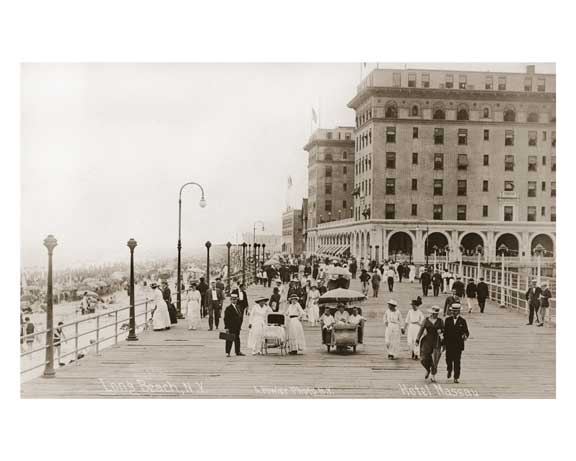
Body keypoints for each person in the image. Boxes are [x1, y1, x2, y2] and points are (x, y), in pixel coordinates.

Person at [416, 306, 444, 382]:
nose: (436, 315)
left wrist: (441, 331)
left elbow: (444, 331)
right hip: (427, 340)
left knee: (436, 359)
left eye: (437, 313)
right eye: (434, 313)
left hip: (437, 341)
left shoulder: (440, 321)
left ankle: (433, 375)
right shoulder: (426, 320)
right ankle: (428, 369)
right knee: (423, 359)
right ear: (431, 313)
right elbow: (421, 330)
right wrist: (417, 339)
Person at [443, 303, 469, 383]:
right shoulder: (447, 320)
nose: (454, 312)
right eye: (453, 311)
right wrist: (443, 343)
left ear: (459, 312)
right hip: (449, 344)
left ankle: (456, 377)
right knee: (448, 359)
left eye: (456, 311)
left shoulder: (462, 321)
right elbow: (445, 332)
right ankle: (449, 369)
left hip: (458, 344)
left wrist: (465, 336)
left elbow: (466, 332)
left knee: (457, 361)